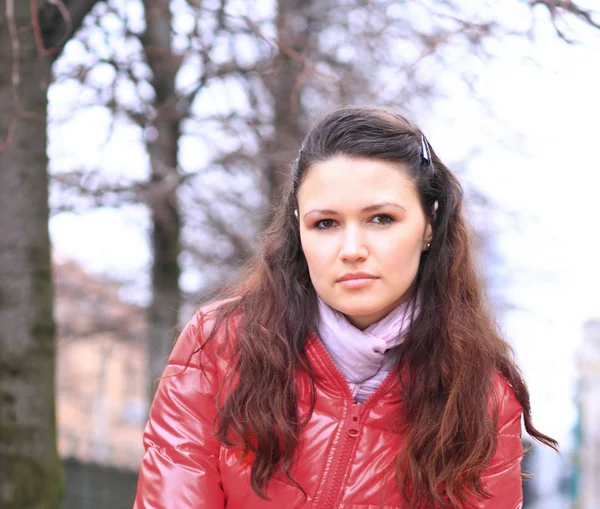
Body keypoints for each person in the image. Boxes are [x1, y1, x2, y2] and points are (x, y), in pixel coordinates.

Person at [133, 106, 557, 508]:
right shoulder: (220, 345)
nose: (352, 250)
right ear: (298, 230)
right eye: (326, 224)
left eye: (381, 219)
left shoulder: (480, 391)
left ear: (428, 223)